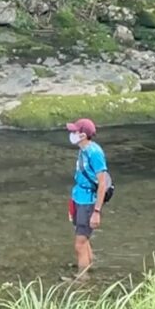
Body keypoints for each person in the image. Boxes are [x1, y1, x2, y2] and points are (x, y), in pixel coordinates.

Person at [66, 118, 110, 279]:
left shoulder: (95, 153)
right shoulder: (82, 150)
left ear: (83, 135)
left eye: (75, 131)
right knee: (84, 241)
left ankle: (82, 280)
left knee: (80, 244)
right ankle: (88, 266)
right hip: (79, 198)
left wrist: (96, 211)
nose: (72, 133)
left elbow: (102, 183)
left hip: (88, 203)